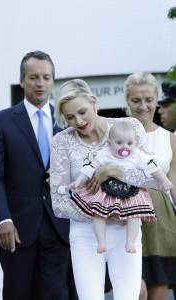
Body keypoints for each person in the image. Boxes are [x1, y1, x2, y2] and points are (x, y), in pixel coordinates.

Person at [50, 78, 154, 300]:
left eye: (82, 112)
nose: (78, 121)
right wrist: (104, 214)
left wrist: (112, 172)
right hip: (85, 234)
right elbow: (58, 203)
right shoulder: (61, 141)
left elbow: (151, 180)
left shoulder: (130, 127)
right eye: (69, 117)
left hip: (127, 230)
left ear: (94, 102)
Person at [0, 50, 71, 300]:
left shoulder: (67, 121)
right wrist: (3, 220)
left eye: (46, 77)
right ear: (22, 81)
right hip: (16, 229)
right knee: (18, 294)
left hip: (60, 227)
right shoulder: (1, 121)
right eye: (33, 77)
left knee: (56, 294)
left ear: (53, 81)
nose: (40, 83)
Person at [69, 120, 172, 254]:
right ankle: (101, 241)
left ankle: (130, 241)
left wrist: (164, 180)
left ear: (135, 143)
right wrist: (78, 181)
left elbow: (152, 167)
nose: (125, 147)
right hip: (106, 190)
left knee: (134, 216)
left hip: (130, 191)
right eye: (119, 143)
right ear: (110, 143)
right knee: (97, 214)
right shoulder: (104, 154)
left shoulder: (137, 155)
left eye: (129, 143)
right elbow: (90, 167)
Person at [124, 72, 176, 300]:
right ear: (127, 101)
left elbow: (173, 185)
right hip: (125, 218)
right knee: (134, 291)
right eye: (136, 100)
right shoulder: (113, 134)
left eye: (149, 100)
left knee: (158, 292)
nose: (143, 106)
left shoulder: (170, 138)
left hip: (162, 220)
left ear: (156, 99)